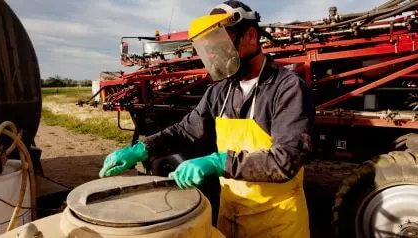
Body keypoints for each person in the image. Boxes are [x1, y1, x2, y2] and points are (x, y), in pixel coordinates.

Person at [99, 1, 315, 237]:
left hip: (276, 222)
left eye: (221, 44)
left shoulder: (287, 88)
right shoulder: (220, 91)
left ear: (251, 36)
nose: (215, 54)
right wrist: (142, 148)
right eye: (210, 47)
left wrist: (218, 162)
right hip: (231, 215)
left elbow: (286, 160)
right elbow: (185, 130)